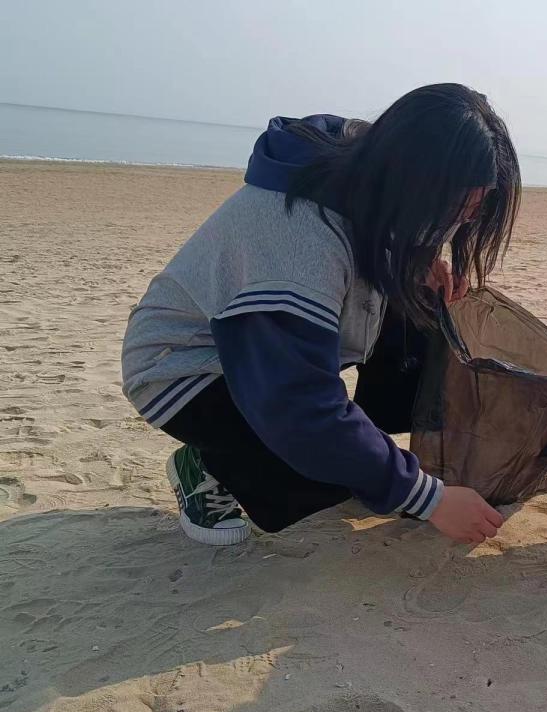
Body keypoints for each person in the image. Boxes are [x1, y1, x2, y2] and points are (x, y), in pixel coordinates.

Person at [121, 84, 520, 546]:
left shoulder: (367, 170)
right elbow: (298, 405)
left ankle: (363, 448)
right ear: (417, 183)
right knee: (318, 483)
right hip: (189, 369)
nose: (461, 225)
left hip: (271, 345)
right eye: (459, 209)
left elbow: (378, 238)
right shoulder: (299, 239)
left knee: (425, 315)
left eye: (473, 212)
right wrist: (428, 498)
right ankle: (206, 463)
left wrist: (417, 263)